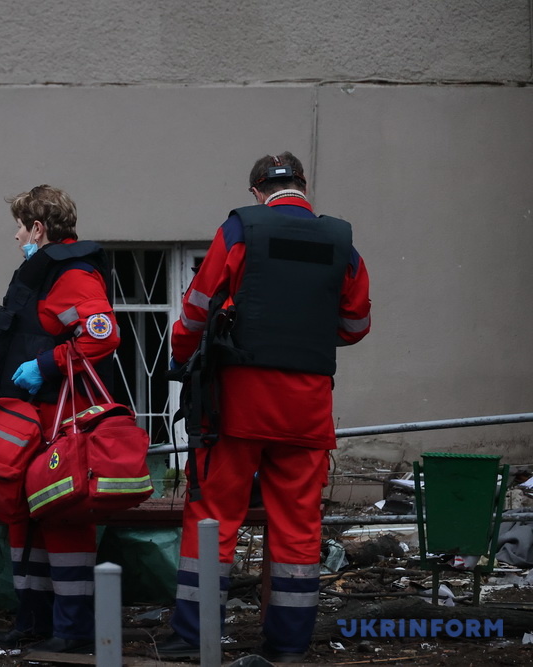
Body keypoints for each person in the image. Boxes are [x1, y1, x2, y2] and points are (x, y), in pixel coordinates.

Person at [155, 153, 371, 662]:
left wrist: (183, 359)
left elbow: (196, 309)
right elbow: (356, 326)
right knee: (298, 525)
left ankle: (194, 636)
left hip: (236, 406)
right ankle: (289, 644)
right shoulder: (342, 242)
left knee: (213, 517)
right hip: (307, 409)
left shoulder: (239, 230)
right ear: (303, 186)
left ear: (257, 191)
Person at [0, 185, 120, 654]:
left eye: (20, 226)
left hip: (62, 420)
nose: (16, 236)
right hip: (32, 421)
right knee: (26, 519)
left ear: (37, 228)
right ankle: (34, 620)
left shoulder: (72, 274)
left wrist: (45, 365)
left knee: (62, 518)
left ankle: (73, 629)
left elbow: (101, 334)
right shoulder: (45, 273)